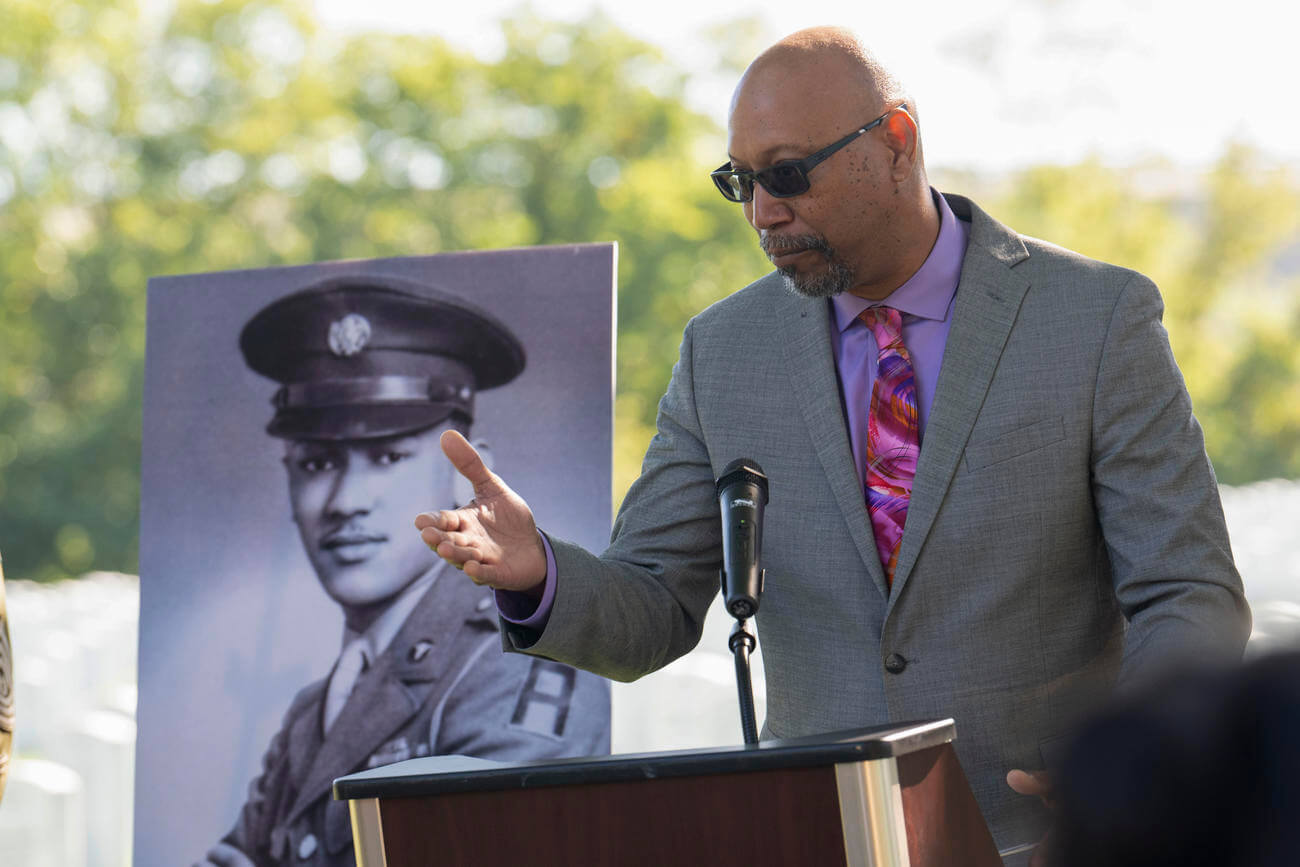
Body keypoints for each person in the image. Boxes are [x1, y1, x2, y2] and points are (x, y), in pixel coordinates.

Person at [416, 27, 1250, 856]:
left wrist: (1132, 760)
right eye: (739, 181)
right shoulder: (723, 351)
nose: (762, 211)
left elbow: (1188, 593)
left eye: (786, 174)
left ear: (896, 142)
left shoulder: (1096, 319)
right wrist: (538, 572)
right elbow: (655, 607)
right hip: (816, 837)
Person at [199, 275, 610, 867]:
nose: (345, 500)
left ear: (470, 478)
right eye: (317, 462)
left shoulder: (520, 665)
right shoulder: (314, 711)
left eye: (388, 457)